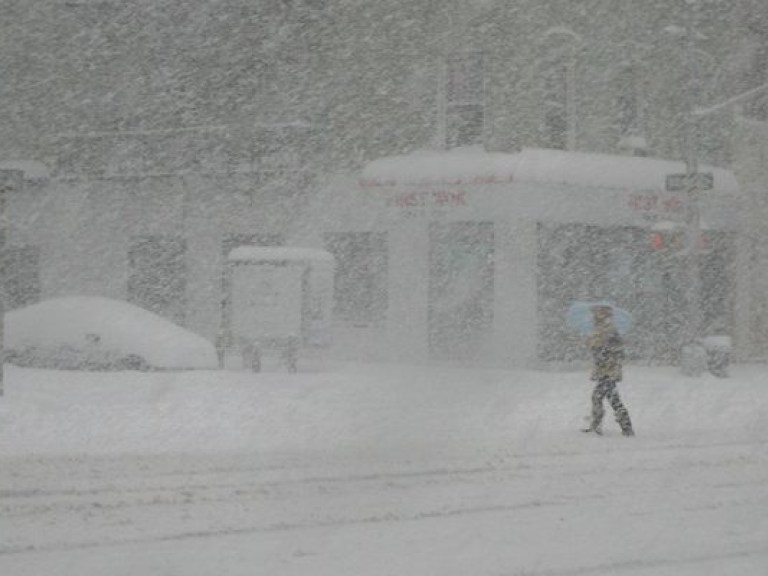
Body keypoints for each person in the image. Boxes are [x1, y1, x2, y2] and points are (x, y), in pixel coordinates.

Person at [582, 305, 634, 436]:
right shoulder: (599, 330)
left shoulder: (609, 330)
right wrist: (592, 344)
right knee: (611, 399)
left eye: (597, 313)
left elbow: (616, 350)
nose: (594, 315)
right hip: (605, 371)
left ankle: (599, 426)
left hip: (608, 371)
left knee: (599, 397)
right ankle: (625, 426)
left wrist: (601, 350)